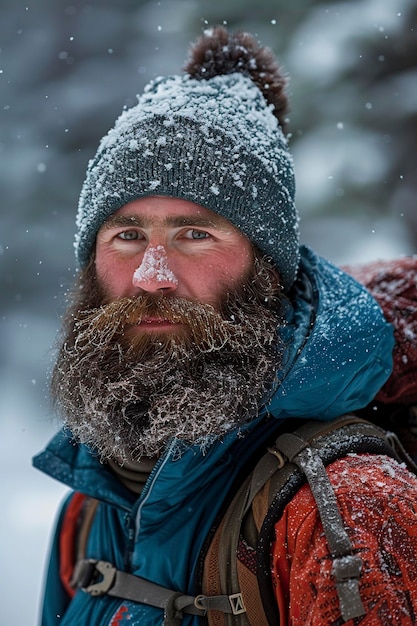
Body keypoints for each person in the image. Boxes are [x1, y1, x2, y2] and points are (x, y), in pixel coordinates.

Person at [34, 26, 417, 626]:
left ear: (268, 273)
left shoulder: (346, 507)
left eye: (195, 234)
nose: (150, 276)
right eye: (128, 235)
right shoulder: (90, 506)